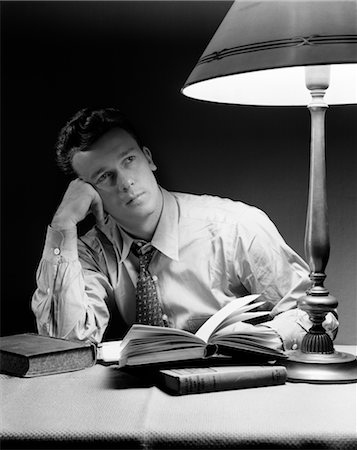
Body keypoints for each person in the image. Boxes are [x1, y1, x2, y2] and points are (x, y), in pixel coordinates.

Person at [31, 107, 337, 350]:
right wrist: (63, 225)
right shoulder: (87, 252)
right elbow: (66, 344)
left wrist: (260, 340)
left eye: (129, 160)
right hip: (147, 403)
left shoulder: (234, 227)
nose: (125, 182)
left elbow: (317, 318)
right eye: (104, 177)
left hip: (238, 391)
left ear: (148, 158)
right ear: (87, 191)